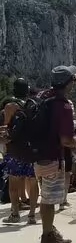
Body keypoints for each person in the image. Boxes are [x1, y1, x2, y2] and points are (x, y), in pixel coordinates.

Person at [33, 66, 76, 243]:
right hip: (53, 157)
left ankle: (49, 229)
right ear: (68, 83)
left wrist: (74, 79)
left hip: (38, 155)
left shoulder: (44, 96)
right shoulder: (64, 105)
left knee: (45, 194)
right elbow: (65, 139)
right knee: (48, 199)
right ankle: (47, 236)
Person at [1, 78, 39, 225]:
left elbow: (6, 129)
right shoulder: (33, 104)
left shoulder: (10, 106)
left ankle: (15, 213)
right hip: (31, 149)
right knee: (33, 181)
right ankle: (31, 215)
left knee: (14, 183)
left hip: (15, 150)